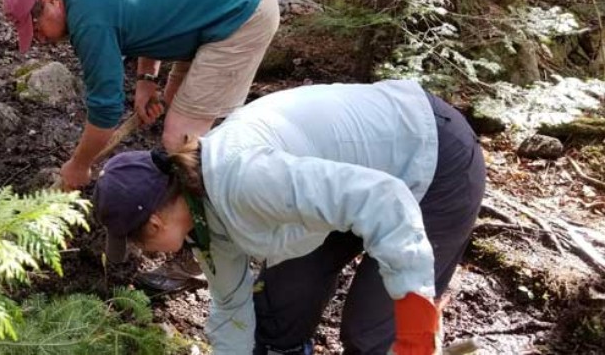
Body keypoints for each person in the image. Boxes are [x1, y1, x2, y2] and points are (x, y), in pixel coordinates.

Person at [92, 80, 487, 355]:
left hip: (427, 159)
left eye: (137, 241)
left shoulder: (246, 179)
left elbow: (387, 201)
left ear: (156, 224)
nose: (145, 251)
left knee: (375, 337)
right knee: (279, 312)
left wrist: (415, 316)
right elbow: (231, 308)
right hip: (342, 186)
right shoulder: (200, 215)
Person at [2, 0, 279, 191]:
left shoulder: (89, 21)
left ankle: (218, 208)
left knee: (178, 139)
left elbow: (106, 110)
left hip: (240, 14)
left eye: (36, 28)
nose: (39, 39)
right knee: (173, 104)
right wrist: (146, 80)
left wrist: (79, 164)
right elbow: (144, 15)